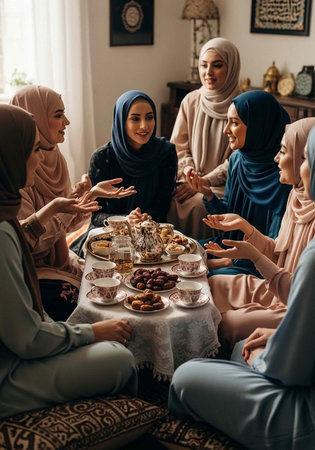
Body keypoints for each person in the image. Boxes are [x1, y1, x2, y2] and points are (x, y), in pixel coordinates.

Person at [168, 125, 315, 450]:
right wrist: (247, 234)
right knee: (220, 307)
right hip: (288, 306)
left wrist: (269, 347)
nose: (298, 164)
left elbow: (288, 367)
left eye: (305, 156)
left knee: (188, 374)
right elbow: (281, 252)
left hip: (303, 411)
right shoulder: (297, 196)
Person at [0, 104, 136, 418]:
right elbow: (28, 339)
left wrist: (59, 208)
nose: (41, 157)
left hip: (18, 348)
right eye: (34, 149)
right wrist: (94, 333)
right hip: (8, 374)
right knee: (119, 358)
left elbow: (26, 233)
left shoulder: (6, 217)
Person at [10, 85, 135, 320]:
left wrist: (89, 196)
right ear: (34, 121)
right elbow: (30, 243)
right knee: (92, 302)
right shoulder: (15, 171)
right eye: (58, 115)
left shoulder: (56, 158)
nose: (66, 121)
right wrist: (68, 204)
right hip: (32, 266)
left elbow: (63, 226)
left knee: (118, 283)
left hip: (57, 258)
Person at [204, 117, 315, 349]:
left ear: (306, 159)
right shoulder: (297, 196)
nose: (276, 158)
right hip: (278, 288)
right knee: (211, 286)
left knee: (229, 323)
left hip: (299, 305)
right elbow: (278, 251)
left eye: (283, 151)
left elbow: (301, 292)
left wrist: (253, 256)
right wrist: (245, 227)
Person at [188, 90, 291, 277]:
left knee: (200, 277)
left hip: (258, 262)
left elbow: (274, 249)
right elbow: (230, 215)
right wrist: (208, 194)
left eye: (234, 123)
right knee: (183, 249)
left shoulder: (283, 174)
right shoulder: (238, 160)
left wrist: (222, 262)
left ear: (258, 126)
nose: (226, 130)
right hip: (229, 245)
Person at [167, 37, 240, 239]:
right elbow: (179, 147)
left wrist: (203, 183)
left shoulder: (241, 106)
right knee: (171, 200)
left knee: (200, 206)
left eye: (217, 65)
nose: (208, 72)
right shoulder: (191, 100)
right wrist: (190, 176)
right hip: (189, 178)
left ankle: (204, 261)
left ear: (232, 67)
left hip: (221, 186)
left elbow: (237, 159)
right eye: (204, 65)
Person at [88, 90, 177, 228]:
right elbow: (96, 216)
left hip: (151, 228)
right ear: (121, 121)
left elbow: (162, 205)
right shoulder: (102, 158)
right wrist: (125, 220)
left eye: (149, 117)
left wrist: (144, 218)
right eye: (135, 119)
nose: (144, 126)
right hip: (111, 230)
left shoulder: (165, 153)